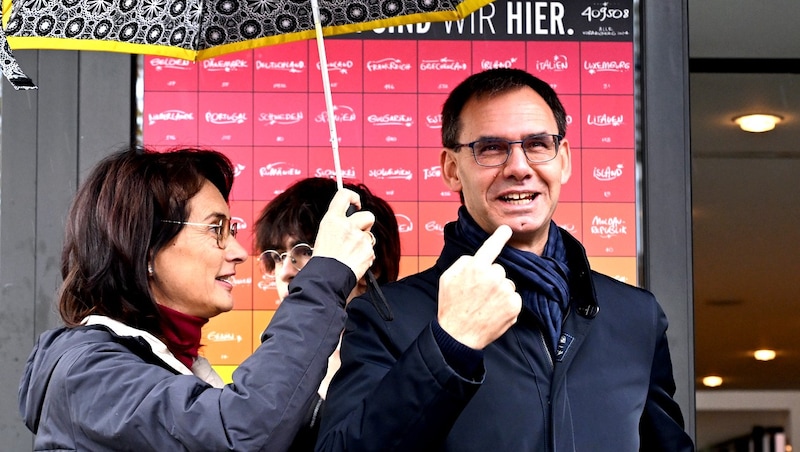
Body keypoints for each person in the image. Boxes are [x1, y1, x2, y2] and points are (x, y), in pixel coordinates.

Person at [316, 68, 695, 451]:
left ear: (562, 159)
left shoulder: (636, 316)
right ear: (451, 169)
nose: (518, 167)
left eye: (538, 144)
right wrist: (449, 345)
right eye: (491, 148)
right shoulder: (384, 318)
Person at [17, 146, 377, 451]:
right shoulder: (88, 374)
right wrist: (327, 273)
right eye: (216, 229)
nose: (238, 252)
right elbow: (242, 432)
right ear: (142, 247)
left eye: (231, 230)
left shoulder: (179, 368)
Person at [253, 177, 402, 451]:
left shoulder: (410, 365)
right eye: (276, 256)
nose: (284, 272)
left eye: (306, 251)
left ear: (371, 263)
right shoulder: (265, 367)